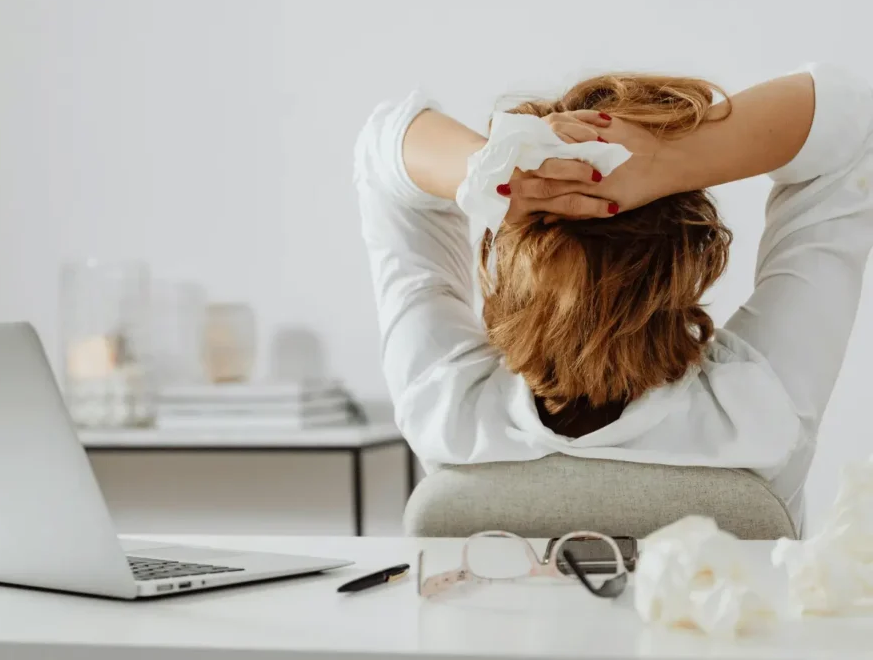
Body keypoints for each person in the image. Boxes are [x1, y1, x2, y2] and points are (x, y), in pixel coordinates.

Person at [353, 64, 873, 533]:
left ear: (509, 254)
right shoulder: (759, 413)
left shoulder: (449, 412)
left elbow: (382, 149)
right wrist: (675, 159)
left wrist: (492, 169)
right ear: (686, 258)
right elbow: (851, 124)